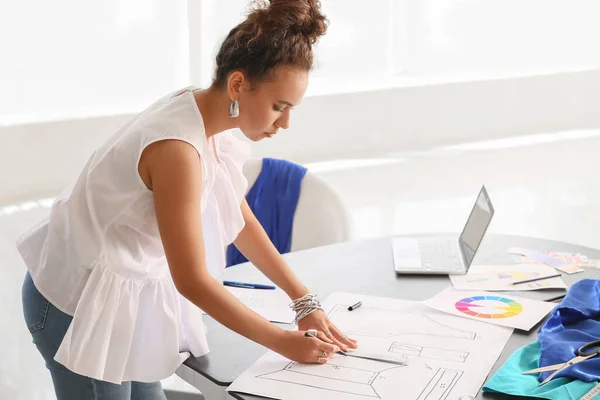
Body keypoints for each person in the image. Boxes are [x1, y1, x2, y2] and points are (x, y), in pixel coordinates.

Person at [18, 0, 358, 399]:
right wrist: (280, 341)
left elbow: (238, 216)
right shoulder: (176, 149)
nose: (284, 123)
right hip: (74, 305)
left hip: (121, 299)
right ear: (237, 85)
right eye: (278, 106)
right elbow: (192, 280)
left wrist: (302, 300)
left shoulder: (211, 117)